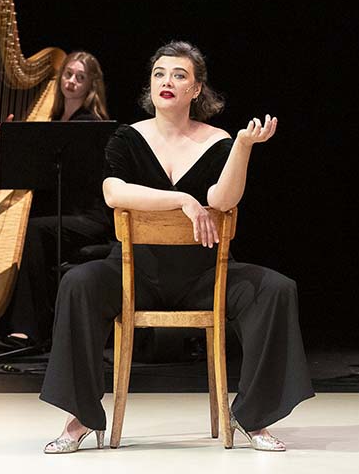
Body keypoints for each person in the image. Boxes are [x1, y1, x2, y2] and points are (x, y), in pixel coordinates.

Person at [39, 41, 314, 453]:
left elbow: (223, 200)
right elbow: (114, 193)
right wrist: (183, 199)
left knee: (276, 289)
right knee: (78, 282)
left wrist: (242, 148)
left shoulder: (219, 141)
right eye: (159, 74)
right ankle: (80, 418)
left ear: (196, 89)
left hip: (204, 274)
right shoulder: (126, 138)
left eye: (179, 75)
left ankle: (254, 417)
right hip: (134, 272)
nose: (167, 81)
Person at [0, 51, 112, 346]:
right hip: (59, 213)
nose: (71, 81)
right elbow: (31, 170)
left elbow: (43, 172)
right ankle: (1, 323)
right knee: (23, 228)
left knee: (31, 231)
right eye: (68, 74)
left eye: (80, 77)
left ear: (91, 85)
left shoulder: (87, 125)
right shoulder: (52, 119)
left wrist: (0, 155)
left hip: (88, 218)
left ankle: (28, 328)